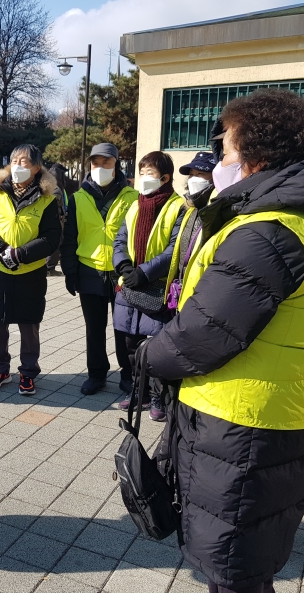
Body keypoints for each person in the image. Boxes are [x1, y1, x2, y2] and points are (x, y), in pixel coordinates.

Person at [145, 88, 304, 593]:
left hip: (241, 419)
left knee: (234, 564)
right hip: (283, 408)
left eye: (227, 152)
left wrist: (150, 354)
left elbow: (205, 334)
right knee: (244, 552)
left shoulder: (270, 232)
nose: (221, 162)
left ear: (257, 157)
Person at [0, 145, 62, 395]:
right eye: (14, 161)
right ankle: (0, 369)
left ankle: (28, 372)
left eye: (24, 162)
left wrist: (20, 254)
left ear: (36, 168)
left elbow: (51, 238)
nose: (18, 166)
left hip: (29, 272)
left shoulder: (47, 199)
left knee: (28, 325)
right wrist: (1, 248)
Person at [60, 143, 138, 395]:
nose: (100, 167)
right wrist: (70, 272)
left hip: (121, 275)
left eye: (106, 162)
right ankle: (96, 374)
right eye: (95, 163)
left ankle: (128, 374)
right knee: (94, 329)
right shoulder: (78, 198)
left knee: (124, 330)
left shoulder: (132, 197)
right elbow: (70, 237)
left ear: (117, 164)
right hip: (89, 271)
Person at [112, 151, 184, 420]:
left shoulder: (178, 207)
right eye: (141, 173)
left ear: (165, 178)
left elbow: (174, 249)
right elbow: (119, 239)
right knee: (131, 347)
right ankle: (137, 392)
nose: (142, 178)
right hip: (129, 287)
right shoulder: (135, 205)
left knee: (158, 349)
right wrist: (124, 267)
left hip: (158, 289)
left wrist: (144, 272)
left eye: (149, 174)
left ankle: (158, 397)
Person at [165, 151, 217, 312]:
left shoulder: (215, 213)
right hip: (182, 288)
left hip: (203, 294)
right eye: (192, 174)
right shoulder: (189, 209)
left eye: (200, 174)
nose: (194, 179)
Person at [46, 162, 69, 275]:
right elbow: (53, 203)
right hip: (56, 221)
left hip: (57, 219)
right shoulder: (56, 188)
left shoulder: (53, 186)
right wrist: (58, 214)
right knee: (56, 242)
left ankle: (49, 266)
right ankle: (49, 268)